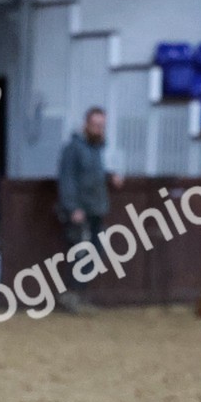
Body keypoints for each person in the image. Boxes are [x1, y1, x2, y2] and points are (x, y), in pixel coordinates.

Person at [56, 107, 123, 312]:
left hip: (96, 209)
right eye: (95, 125)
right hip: (81, 210)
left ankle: (77, 295)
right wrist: (73, 207)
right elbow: (67, 180)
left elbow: (94, 174)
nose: (99, 129)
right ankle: (72, 296)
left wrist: (110, 176)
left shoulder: (98, 148)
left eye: (101, 125)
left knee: (95, 252)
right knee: (81, 253)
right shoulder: (73, 148)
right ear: (86, 125)